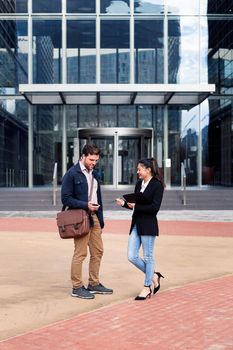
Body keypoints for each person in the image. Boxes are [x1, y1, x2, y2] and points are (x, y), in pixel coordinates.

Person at [61, 143, 113, 299]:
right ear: (83, 156)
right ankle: (77, 287)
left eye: (96, 160)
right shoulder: (71, 174)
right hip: (80, 218)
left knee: (98, 251)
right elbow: (65, 198)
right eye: (91, 160)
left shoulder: (94, 174)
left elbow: (99, 198)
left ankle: (94, 283)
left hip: (94, 217)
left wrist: (101, 221)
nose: (94, 163)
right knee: (81, 253)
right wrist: (85, 205)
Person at [116, 158, 164, 300]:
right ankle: (154, 275)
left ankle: (147, 286)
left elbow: (154, 208)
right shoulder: (139, 184)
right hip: (136, 223)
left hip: (148, 225)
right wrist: (124, 204)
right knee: (132, 256)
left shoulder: (157, 185)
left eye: (139, 169)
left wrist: (135, 206)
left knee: (148, 256)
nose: (137, 172)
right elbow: (134, 204)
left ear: (148, 169)